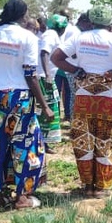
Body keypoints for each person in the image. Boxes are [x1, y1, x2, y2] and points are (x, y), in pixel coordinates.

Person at [51, 6, 112, 197]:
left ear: (90, 22)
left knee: (84, 138)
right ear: (110, 23)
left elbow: (56, 57)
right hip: (107, 96)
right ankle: (101, 187)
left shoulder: (79, 38)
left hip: (83, 95)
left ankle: (87, 185)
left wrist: (76, 70)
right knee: (106, 138)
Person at [0, 0, 52, 209]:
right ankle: (22, 197)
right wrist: (44, 105)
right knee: (24, 145)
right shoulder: (28, 37)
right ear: (23, 15)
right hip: (19, 99)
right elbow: (30, 75)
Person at [39, 14, 68, 151]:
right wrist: (47, 75)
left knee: (51, 107)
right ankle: (42, 142)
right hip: (43, 77)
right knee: (46, 109)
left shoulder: (52, 35)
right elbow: (44, 53)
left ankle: (44, 142)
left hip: (47, 76)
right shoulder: (50, 35)